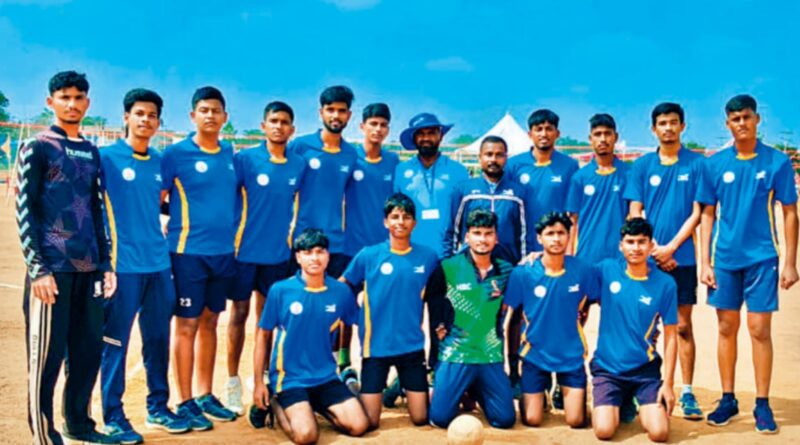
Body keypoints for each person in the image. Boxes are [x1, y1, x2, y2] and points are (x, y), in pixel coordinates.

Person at [18, 70, 118, 444]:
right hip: (52, 271)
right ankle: (45, 435)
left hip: (89, 271)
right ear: (51, 102)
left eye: (78, 98)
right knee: (47, 358)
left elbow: (96, 210)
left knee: (87, 352)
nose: (72, 104)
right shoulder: (38, 146)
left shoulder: (91, 152)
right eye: (64, 97)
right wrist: (38, 269)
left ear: (87, 103)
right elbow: (24, 209)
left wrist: (105, 265)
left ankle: (79, 424)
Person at [698, 94, 798, 433]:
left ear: (757, 119)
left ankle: (762, 403)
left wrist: (790, 262)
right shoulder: (714, 164)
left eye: (746, 117)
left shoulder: (777, 162)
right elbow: (707, 215)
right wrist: (704, 262)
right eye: (735, 119)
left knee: (759, 330)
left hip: (762, 258)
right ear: (727, 124)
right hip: (724, 260)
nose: (741, 123)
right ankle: (728, 398)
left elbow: (790, 213)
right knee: (726, 328)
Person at [99, 88, 190, 443]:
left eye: (152, 115)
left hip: (158, 264)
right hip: (121, 267)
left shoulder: (160, 162)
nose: (146, 120)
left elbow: (165, 201)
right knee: (115, 343)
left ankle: (158, 407)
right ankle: (113, 415)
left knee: (157, 339)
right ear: (126, 117)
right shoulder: (105, 158)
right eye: (139, 113)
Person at [161, 86, 238, 429]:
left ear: (225, 117)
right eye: (204, 110)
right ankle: (185, 399)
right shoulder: (175, 154)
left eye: (215, 110)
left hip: (222, 253)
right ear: (193, 115)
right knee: (187, 325)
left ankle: (205, 394)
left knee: (210, 322)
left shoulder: (231, 155)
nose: (210, 115)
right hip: (187, 253)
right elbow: (158, 197)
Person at [624, 102, 704, 420]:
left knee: (682, 326)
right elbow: (635, 212)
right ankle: (638, 388)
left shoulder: (697, 164)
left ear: (683, 126)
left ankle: (687, 391)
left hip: (683, 259)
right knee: (642, 325)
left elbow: (698, 213)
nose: (668, 128)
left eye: (673, 122)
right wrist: (655, 249)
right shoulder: (642, 166)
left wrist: (671, 248)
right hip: (648, 259)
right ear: (653, 129)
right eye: (662, 123)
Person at [250, 229, 369, 444]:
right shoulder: (280, 290)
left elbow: (362, 323)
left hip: (325, 377)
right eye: (307, 252)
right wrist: (259, 382)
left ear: (328, 255)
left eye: (320, 251)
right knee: (306, 436)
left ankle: (313, 405)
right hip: (290, 379)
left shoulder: (340, 292)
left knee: (359, 425)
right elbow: (263, 335)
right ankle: (275, 402)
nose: (314, 258)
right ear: (298, 257)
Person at [225, 101, 305, 416]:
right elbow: (223, 197)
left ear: (292, 129)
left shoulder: (298, 165)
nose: (279, 126)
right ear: (263, 125)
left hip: (278, 255)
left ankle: (263, 377)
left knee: (267, 320)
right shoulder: (245, 159)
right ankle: (232, 382)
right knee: (238, 314)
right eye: (273, 121)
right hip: (243, 252)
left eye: (284, 122)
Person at [341, 193, 440, 429]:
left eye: (406, 217)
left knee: (420, 418)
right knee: (370, 421)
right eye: (394, 217)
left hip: (411, 347)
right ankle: (351, 383)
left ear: (414, 223)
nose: (400, 222)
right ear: (385, 222)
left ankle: (401, 385)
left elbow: (438, 298)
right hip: (375, 348)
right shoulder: (369, 255)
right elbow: (342, 286)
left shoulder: (428, 258)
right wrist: (354, 315)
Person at [504, 212, 598, 428]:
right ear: (539, 238)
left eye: (561, 233)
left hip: (570, 355)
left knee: (576, 421)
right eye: (550, 234)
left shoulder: (583, 270)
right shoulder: (523, 272)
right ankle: (541, 391)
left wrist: (580, 312)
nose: (556, 239)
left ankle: (567, 393)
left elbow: (594, 298)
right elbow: (511, 316)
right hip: (535, 355)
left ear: (569, 236)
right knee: (532, 419)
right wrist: (512, 360)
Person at [590, 218, 678, 442]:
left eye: (641, 242)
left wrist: (668, 384)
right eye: (630, 242)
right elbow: (570, 271)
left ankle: (633, 397)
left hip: (644, 371)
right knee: (604, 431)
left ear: (651, 245)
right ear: (621, 246)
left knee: (659, 433)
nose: (636, 248)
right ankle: (620, 400)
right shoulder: (606, 270)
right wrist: (540, 256)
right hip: (608, 369)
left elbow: (671, 336)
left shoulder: (666, 284)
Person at [428, 209, 516, 429]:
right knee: (440, 419)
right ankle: (446, 384)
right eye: (477, 233)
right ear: (467, 237)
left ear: (496, 238)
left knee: (504, 420)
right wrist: (434, 361)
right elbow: (433, 314)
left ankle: (474, 387)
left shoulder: (506, 271)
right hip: (456, 353)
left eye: (488, 233)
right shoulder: (447, 268)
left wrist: (536, 256)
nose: (482, 239)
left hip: (490, 354)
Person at [338, 103, 400, 375]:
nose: (378, 129)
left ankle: (381, 364)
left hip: (382, 250)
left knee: (381, 308)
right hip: (350, 247)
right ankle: (342, 362)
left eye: (383, 125)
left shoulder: (394, 162)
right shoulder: (349, 158)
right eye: (373, 124)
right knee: (344, 304)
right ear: (362, 126)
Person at [288, 85, 359, 278]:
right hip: (303, 239)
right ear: (321, 112)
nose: (336, 115)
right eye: (330, 109)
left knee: (331, 294)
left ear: (349, 115)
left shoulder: (351, 154)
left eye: (341, 111)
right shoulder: (300, 146)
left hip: (335, 243)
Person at [444, 135, 535, 264]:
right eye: (489, 154)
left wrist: (524, 265)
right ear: (480, 157)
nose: (493, 159)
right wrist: (450, 265)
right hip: (469, 265)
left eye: (499, 155)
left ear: (506, 158)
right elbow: (451, 231)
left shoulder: (518, 194)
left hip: (507, 264)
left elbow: (525, 236)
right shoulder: (463, 190)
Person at [394, 112, 469, 259]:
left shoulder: (458, 170)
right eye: (421, 134)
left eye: (431, 133)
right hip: (411, 252)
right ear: (414, 138)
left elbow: (466, 213)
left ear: (441, 136)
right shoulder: (401, 170)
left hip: (449, 252)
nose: (426, 138)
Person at [507, 109, 579, 251]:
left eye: (549, 129)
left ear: (557, 133)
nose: (544, 134)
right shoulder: (513, 165)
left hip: (555, 241)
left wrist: (570, 249)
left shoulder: (570, 165)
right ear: (530, 134)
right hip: (521, 241)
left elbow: (573, 213)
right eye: (538, 129)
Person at [566, 113, 629, 263]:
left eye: (607, 134)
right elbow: (572, 222)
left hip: (621, 258)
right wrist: (568, 259)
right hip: (587, 257)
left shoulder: (629, 174)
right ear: (590, 139)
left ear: (616, 137)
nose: (603, 139)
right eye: (597, 134)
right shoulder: (579, 177)